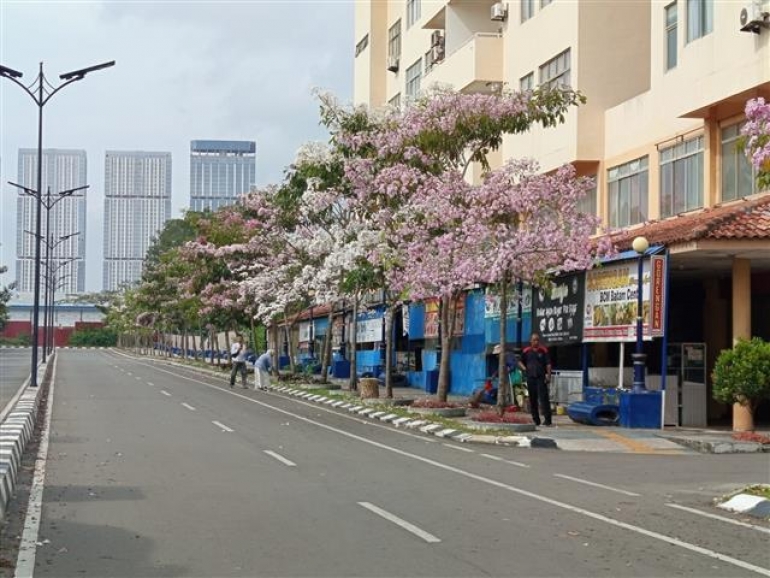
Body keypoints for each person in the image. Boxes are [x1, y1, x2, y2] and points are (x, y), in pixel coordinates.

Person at [519, 333, 552, 426]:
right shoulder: (526, 351)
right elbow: (519, 361)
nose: (536, 342)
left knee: (544, 399)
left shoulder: (543, 350)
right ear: (531, 341)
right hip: (531, 378)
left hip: (541, 378)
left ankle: (548, 420)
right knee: (533, 399)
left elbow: (548, 364)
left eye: (537, 340)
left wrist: (549, 375)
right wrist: (525, 369)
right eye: (534, 340)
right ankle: (536, 420)